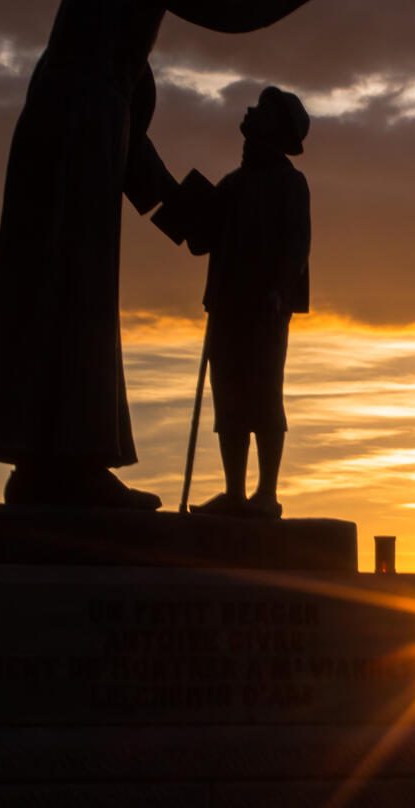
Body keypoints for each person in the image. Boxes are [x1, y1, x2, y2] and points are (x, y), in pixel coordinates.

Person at [0, 0, 329, 510]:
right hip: (71, 136)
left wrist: (193, 220)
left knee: (67, 285)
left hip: (74, 135)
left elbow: (136, 161)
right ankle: (66, 464)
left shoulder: (115, 51)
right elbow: (228, 8)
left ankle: (55, 462)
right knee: (69, 286)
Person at [179, 86, 311, 518]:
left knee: (265, 394)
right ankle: (234, 493)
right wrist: (189, 205)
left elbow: (297, 244)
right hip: (227, 306)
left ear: (277, 128)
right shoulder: (231, 185)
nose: (252, 112)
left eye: (263, 110)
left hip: (265, 308)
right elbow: (199, 241)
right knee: (229, 398)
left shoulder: (290, 183)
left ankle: (266, 493)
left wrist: (280, 289)